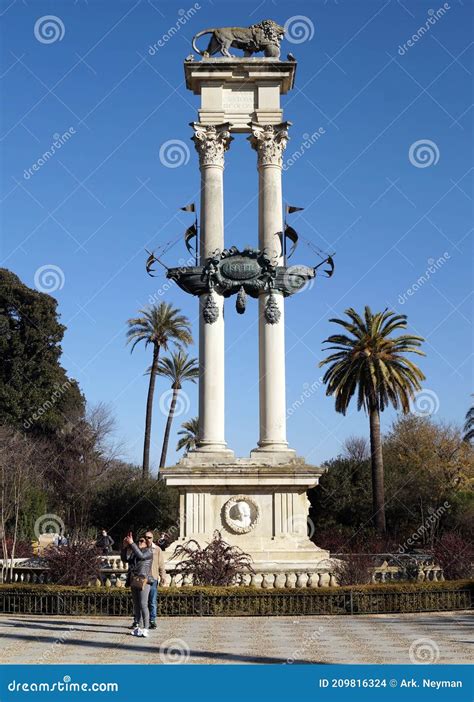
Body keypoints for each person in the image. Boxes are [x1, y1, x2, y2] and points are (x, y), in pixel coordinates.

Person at [121, 533, 153, 638]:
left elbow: (142, 556)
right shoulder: (135, 552)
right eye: (139, 540)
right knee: (136, 605)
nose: (140, 542)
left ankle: (146, 628)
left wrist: (132, 543)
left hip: (144, 581)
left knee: (143, 604)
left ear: (147, 543)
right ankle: (138, 627)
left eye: (142, 541)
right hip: (134, 580)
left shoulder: (149, 551)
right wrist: (125, 547)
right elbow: (125, 559)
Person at [144, 530, 166, 629]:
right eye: (146, 537)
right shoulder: (141, 548)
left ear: (153, 539)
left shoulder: (157, 549)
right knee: (142, 602)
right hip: (142, 579)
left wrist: (163, 577)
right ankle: (139, 620)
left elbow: (161, 564)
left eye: (149, 537)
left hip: (153, 578)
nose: (147, 539)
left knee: (152, 601)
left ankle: (152, 620)